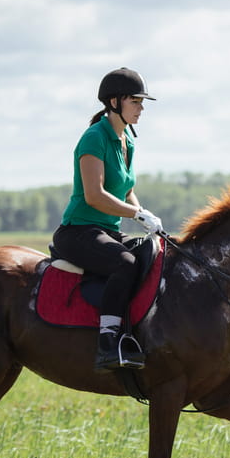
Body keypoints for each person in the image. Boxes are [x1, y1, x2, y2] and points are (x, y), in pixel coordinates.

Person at [52, 67, 164, 373]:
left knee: (151, 255)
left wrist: (145, 219)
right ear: (115, 102)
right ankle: (108, 341)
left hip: (108, 231)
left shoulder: (127, 139)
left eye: (142, 103)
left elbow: (126, 190)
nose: (141, 109)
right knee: (124, 263)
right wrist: (137, 214)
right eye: (136, 102)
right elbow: (95, 196)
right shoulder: (94, 138)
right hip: (78, 232)